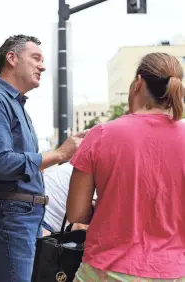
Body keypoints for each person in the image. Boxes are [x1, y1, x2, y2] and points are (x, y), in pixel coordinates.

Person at [0, 34, 85, 282]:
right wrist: (60, 154)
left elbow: (23, 166)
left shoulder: (16, 105)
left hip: (22, 214)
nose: (42, 66)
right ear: (12, 58)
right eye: (36, 58)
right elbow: (2, 163)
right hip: (11, 214)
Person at [67, 52, 185, 281]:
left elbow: (75, 212)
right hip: (174, 271)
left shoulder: (101, 135)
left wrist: (109, 207)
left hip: (106, 270)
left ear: (138, 83)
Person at [42, 162, 91, 235]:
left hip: (32, 215)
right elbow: (79, 226)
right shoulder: (91, 178)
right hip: (45, 226)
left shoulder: (72, 166)